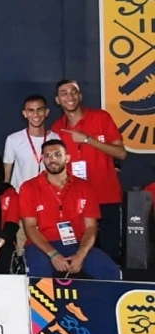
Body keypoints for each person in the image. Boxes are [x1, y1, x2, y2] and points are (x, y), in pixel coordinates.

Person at [19, 139, 121, 279]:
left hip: (76, 244)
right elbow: (30, 227)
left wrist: (81, 255)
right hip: (42, 246)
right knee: (40, 273)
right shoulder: (29, 188)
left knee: (110, 270)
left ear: (67, 158)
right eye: (47, 156)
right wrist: (53, 254)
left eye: (57, 154)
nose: (52, 159)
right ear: (42, 159)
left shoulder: (85, 187)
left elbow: (91, 227)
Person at [51, 79, 126, 260]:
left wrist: (87, 140)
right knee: (80, 257)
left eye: (73, 91)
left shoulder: (101, 117)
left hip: (106, 197)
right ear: (57, 100)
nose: (70, 96)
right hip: (76, 203)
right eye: (64, 93)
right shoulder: (56, 129)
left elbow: (121, 153)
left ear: (80, 95)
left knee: (110, 256)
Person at [3, 94, 59, 190]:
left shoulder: (56, 139)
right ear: (24, 113)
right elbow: (6, 174)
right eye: (31, 110)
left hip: (49, 196)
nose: (35, 114)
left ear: (46, 112)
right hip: (21, 197)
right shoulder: (13, 140)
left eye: (40, 109)